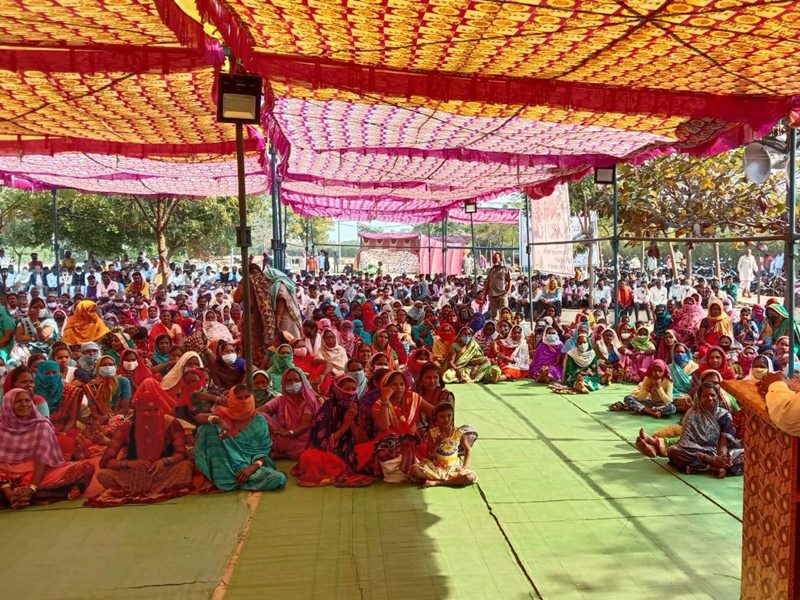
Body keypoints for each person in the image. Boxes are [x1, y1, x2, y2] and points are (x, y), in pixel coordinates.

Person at [92, 380, 194, 506]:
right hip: (132, 472)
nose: (151, 414)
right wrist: (130, 464)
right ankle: (151, 486)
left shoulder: (170, 423)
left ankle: (140, 487)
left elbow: (181, 453)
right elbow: (106, 461)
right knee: (103, 475)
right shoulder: (127, 426)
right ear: (138, 411)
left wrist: (164, 462)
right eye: (146, 411)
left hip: (162, 470)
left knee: (186, 467)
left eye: (155, 410)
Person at [0, 388, 94, 509]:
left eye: (27, 400)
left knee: (83, 469)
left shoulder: (41, 425)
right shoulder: (2, 428)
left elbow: (42, 460)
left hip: (39, 474)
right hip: (5, 478)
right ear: (8, 405)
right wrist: (7, 492)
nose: (24, 404)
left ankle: (25, 494)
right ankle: (19, 496)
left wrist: (32, 488)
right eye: (18, 401)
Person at [194, 384, 287, 491]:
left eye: (247, 397)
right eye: (239, 398)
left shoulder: (259, 421)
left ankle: (235, 479)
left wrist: (251, 468)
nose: (244, 401)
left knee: (278, 478)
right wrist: (219, 421)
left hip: (249, 463)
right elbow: (198, 417)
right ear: (232, 399)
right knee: (208, 428)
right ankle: (220, 477)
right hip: (225, 461)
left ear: (252, 398)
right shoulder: (224, 414)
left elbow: (263, 452)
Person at [291, 374, 374, 487]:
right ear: (336, 390)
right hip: (331, 454)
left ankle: (338, 470)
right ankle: (338, 470)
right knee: (308, 456)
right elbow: (322, 445)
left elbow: (362, 441)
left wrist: (352, 422)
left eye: (353, 389)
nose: (350, 392)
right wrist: (345, 425)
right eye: (346, 389)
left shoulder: (360, 408)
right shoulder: (328, 409)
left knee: (373, 448)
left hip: (354, 453)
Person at [666, 382, 743, 478]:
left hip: (716, 451)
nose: (710, 398)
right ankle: (713, 468)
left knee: (743, 455)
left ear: (717, 396)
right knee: (673, 451)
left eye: (712, 395)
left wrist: (721, 458)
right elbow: (686, 442)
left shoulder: (724, 415)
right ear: (699, 398)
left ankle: (697, 467)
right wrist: (711, 459)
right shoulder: (692, 413)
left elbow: (723, 443)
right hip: (695, 453)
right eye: (705, 396)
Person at [409, 401, 476, 487]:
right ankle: (451, 481)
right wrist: (436, 444)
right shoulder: (432, 433)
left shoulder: (459, 433)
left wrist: (464, 467)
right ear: (436, 419)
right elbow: (429, 456)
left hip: (453, 467)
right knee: (414, 470)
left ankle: (438, 482)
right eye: (442, 417)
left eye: (449, 415)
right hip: (436, 466)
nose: (446, 419)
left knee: (470, 477)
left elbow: (468, 450)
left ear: (452, 416)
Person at [260, 367, 318, 460]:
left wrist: (290, 433)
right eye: (289, 381)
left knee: (306, 451)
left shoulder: (308, 401)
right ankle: (283, 452)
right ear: (283, 383)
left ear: (302, 382)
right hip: (281, 435)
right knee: (260, 416)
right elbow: (262, 410)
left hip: (301, 440)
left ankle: (283, 454)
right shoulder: (280, 400)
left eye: (296, 380)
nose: (293, 383)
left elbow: (305, 425)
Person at [484, 253, 510, 320]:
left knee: (504, 314)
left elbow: (510, 281)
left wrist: (507, 292)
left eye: (495, 258)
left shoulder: (505, 269)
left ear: (500, 259)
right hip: (492, 296)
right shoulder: (491, 270)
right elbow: (488, 283)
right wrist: (485, 296)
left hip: (502, 295)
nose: (494, 260)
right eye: (493, 258)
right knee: (494, 315)